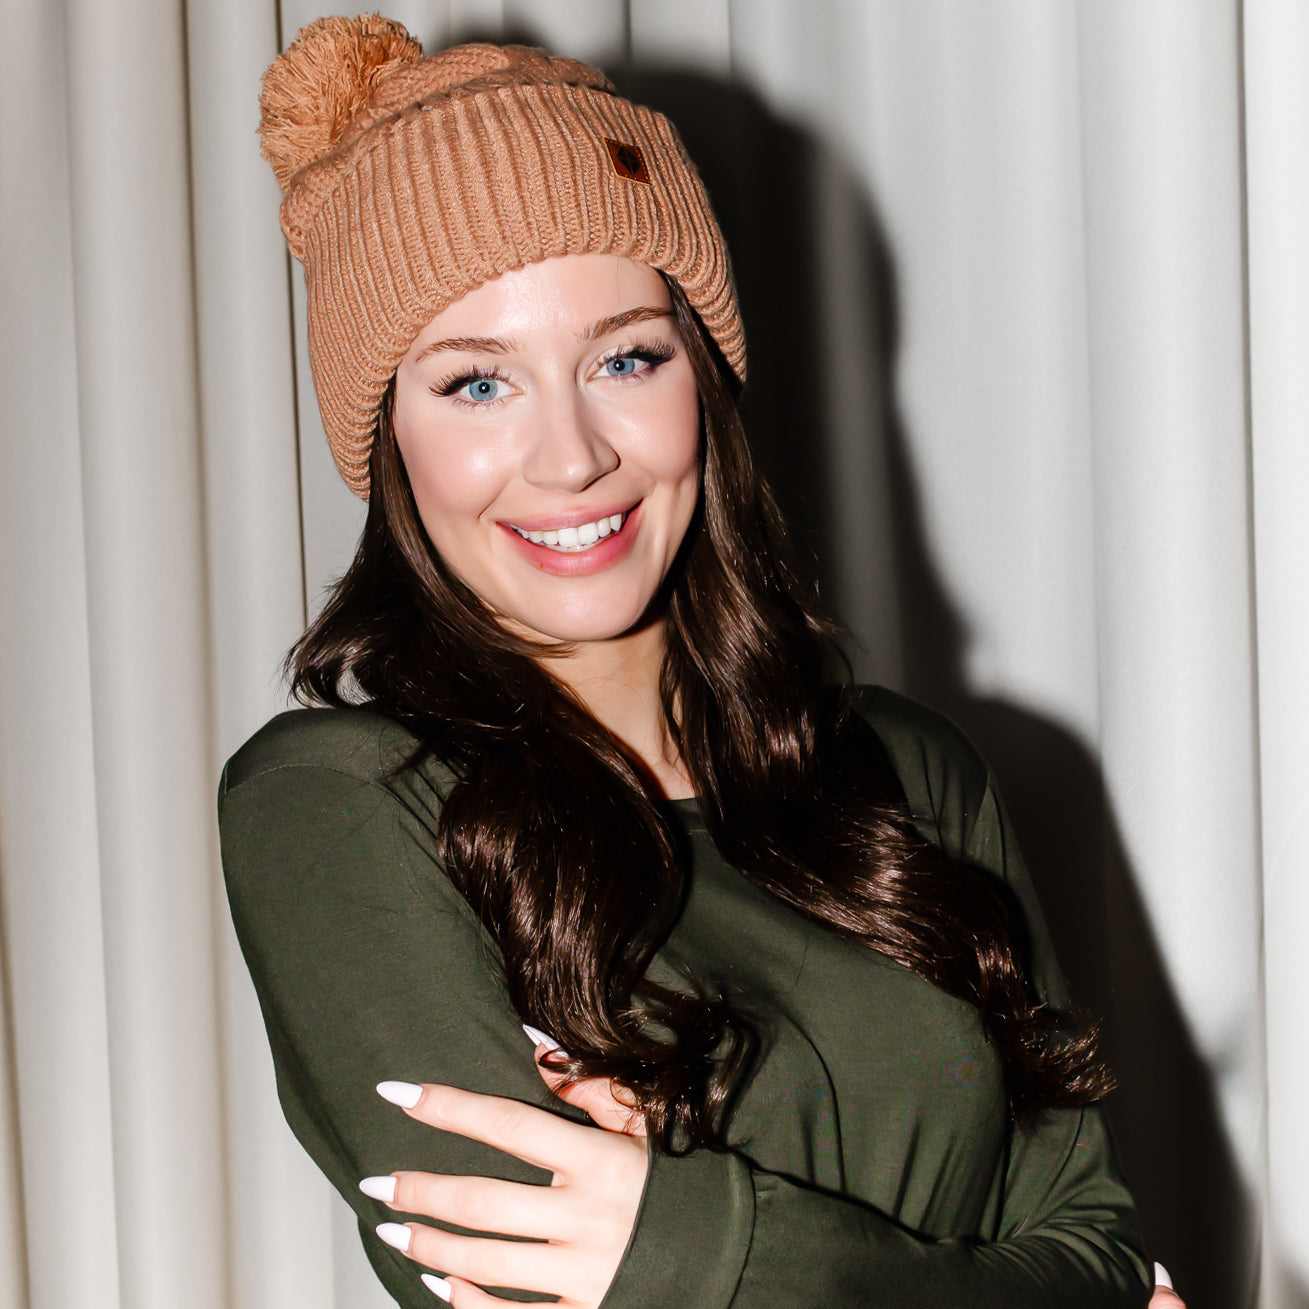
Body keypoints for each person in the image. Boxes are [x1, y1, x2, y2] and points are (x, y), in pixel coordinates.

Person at [219, 15, 1181, 1308]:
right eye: (476, 384)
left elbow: (1103, 1250)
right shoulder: (337, 801)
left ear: (702, 378)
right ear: (389, 437)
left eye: (625, 357)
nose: (573, 456)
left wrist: (688, 1242)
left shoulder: (910, 770)